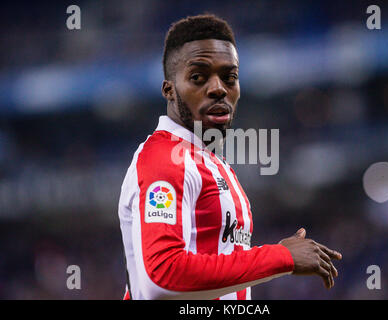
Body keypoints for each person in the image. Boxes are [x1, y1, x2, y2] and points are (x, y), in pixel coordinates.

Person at [118, 14, 342, 300]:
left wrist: (280, 257)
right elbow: (162, 278)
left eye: (230, 77)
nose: (218, 88)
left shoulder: (212, 162)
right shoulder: (164, 159)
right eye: (198, 77)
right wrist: (280, 257)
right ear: (169, 90)